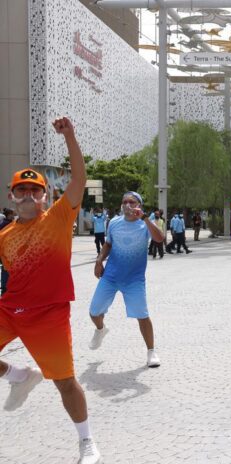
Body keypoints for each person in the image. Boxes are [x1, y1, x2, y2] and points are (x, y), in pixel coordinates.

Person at [0, 117, 102, 463]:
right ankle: (19, 375)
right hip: (10, 310)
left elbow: (79, 179)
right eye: (22, 190)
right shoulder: (4, 236)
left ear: (46, 195)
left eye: (35, 190)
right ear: (11, 196)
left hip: (49, 314)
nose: (29, 195)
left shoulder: (59, 218)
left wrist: (70, 136)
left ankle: (86, 441)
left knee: (65, 383)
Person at [88, 191, 165, 369]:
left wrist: (145, 218)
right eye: (125, 202)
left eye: (132, 202)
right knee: (94, 312)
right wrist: (99, 261)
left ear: (140, 205)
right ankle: (100, 330)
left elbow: (159, 239)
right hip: (111, 276)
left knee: (142, 316)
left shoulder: (145, 223)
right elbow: (108, 244)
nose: (128, 205)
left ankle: (151, 351)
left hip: (134, 279)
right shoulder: (114, 223)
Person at [0, 209, 14, 295]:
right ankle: (6, 287)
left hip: (4, 249)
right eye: (12, 214)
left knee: (5, 269)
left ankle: (4, 286)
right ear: (9, 215)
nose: (13, 216)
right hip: (8, 250)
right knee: (7, 269)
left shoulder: (3, 223)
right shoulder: (8, 224)